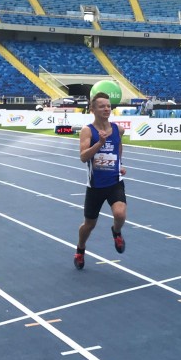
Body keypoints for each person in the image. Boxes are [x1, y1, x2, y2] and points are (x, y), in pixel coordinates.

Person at [75, 92, 127, 269]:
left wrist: (119, 164)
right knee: (89, 225)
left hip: (114, 182)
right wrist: (99, 143)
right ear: (93, 109)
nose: (106, 109)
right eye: (102, 106)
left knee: (120, 214)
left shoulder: (118, 129)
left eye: (108, 106)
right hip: (95, 186)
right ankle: (80, 248)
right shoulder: (88, 130)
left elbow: (118, 147)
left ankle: (116, 232)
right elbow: (83, 157)